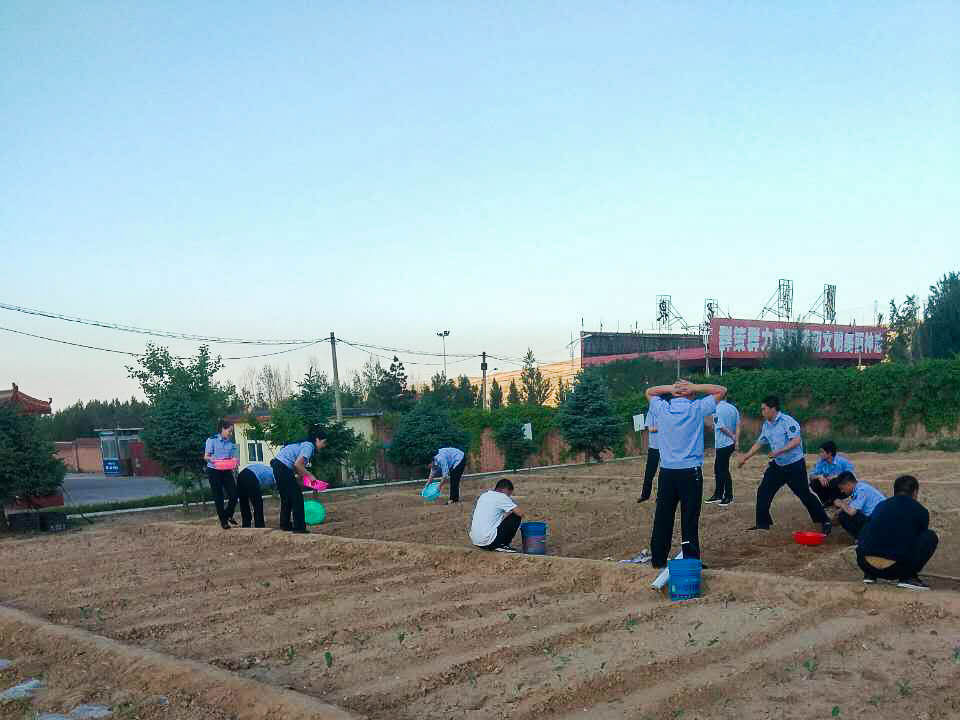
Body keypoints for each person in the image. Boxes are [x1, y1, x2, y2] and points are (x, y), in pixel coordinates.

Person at [645, 379, 727, 569]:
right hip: (690, 473)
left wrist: (671, 388)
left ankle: (658, 560)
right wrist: (694, 387)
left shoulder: (662, 409)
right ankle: (690, 560)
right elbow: (721, 390)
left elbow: (649, 391)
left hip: (667, 473)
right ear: (690, 393)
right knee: (689, 518)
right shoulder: (696, 408)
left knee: (663, 516)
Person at [738, 395, 831, 534]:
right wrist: (745, 457)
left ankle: (824, 520)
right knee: (763, 491)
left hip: (795, 466)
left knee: (804, 494)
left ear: (772, 409)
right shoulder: (766, 425)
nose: (762, 412)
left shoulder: (787, 421)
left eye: (764, 409)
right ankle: (763, 524)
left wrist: (778, 452)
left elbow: (796, 441)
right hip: (778, 466)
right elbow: (760, 442)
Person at [857, 475, 938, 591]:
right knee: (930, 536)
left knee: (871, 528)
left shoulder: (880, 505)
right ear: (915, 492)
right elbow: (918, 539)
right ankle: (909, 577)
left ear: (894, 491)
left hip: (865, 564)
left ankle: (870, 576)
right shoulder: (921, 510)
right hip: (896, 569)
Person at [270, 427, 327, 533]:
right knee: (297, 498)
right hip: (282, 467)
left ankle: (285, 525)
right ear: (317, 440)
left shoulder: (304, 445)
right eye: (323, 442)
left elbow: (298, 469)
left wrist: (307, 482)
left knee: (286, 498)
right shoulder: (309, 446)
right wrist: (311, 476)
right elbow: (298, 465)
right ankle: (299, 528)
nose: (324, 446)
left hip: (278, 466)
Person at [470, 478, 523, 553]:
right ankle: (502, 545)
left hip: (476, 541)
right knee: (516, 517)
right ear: (505, 490)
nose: (509, 497)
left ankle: (498, 544)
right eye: (509, 494)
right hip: (488, 542)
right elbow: (520, 513)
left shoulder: (484, 495)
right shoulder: (502, 497)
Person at [204, 421, 238, 530]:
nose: (231, 433)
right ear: (223, 429)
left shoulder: (230, 442)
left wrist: (236, 461)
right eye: (230, 431)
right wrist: (212, 459)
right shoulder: (212, 440)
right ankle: (224, 522)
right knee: (219, 497)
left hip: (226, 470)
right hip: (214, 470)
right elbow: (206, 456)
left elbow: (234, 457)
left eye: (231, 432)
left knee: (234, 495)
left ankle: (228, 514)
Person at [831, 471, 885, 540]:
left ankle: (862, 539)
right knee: (843, 512)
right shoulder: (860, 486)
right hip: (881, 519)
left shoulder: (861, 490)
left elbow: (852, 512)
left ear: (848, 484)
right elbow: (852, 504)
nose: (842, 491)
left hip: (879, 523)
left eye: (842, 488)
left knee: (844, 516)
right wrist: (838, 511)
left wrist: (841, 503)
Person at [706, 398, 740, 506]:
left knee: (723, 470)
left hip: (723, 444)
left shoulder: (716, 409)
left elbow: (721, 427)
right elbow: (738, 425)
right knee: (718, 468)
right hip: (730, 444)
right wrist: (736, 440)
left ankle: (728, 497)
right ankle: (718, 494)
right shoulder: (733, 408)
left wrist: (732, 436)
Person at [809, 441, 856, 507]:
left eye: (822, 452)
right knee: (814, 482)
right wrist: (819, 476)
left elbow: (851, 475)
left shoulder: (842, 462)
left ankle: (836, 501)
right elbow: (811, 476)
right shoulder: (820, 462)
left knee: (834, 481)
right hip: (829, 488)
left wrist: (836, 476)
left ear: (829, 453)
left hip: (842, 489)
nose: (820, 454)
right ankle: (826, 502)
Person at [637, 397, 666, 503]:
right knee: (649, 472)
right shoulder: (651, 412)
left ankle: (660, 497)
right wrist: (664, 426)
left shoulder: (667, 410)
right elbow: (650, 428)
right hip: (654, 447)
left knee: (663, 473)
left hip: (666, 447)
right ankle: (645, 495)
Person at [236, 462, 275, 528]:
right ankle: (259, 525)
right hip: (251, 476)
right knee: (258, 503)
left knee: (243, 502)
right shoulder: (274, 472)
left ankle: (246, 524)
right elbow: (279, 485)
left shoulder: (267, 469)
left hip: (241, 475)